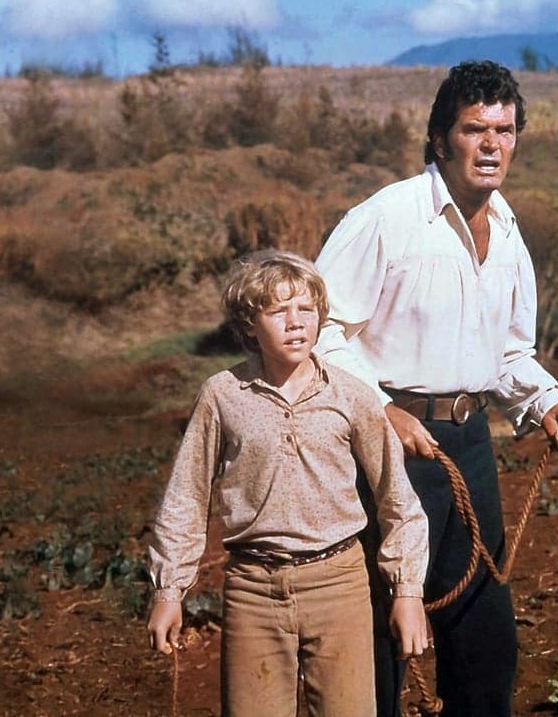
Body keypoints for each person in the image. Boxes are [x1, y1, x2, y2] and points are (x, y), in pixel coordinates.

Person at [313, 60, 558, 717]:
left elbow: (509, 351)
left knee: (483, 635)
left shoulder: (508, 230)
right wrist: (380, 410)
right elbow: (320, 329)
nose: (492, 145)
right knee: (381, 631)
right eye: (475, 130)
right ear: (441, 139)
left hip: (470, 445)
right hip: (385, 449)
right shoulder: (385, 217)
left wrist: (547, 401)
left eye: (505, 130)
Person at [146, 249, 431, 717]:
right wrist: (168, 591)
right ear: (249, 324)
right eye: (278, 310)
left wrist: (407, 591)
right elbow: (186, 497)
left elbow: (397, 499)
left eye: (306, 309)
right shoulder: (222, 395)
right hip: (252, 589)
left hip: (339, 584)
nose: (296, 322)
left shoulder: (351, 395)